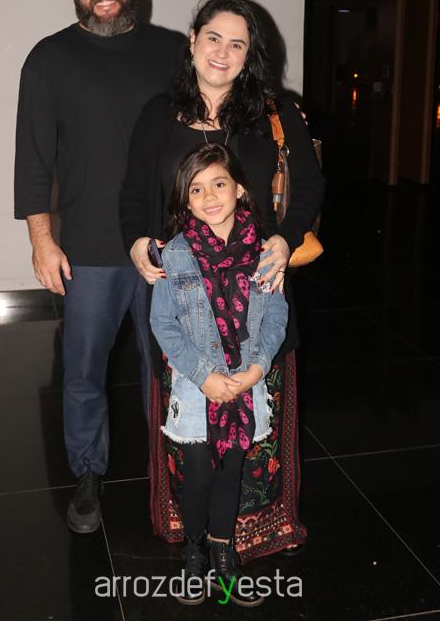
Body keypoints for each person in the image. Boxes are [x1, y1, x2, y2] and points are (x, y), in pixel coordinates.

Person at [120, 0, 324, 560]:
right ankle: (191, 534)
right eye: (213, 37)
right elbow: (134, 191)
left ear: (249, 54)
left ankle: (247, 535)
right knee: (191, 423)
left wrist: (284, 238)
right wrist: (136, 241)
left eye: (238, 44)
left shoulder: (274, 113)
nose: (223, 52)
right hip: (183, 296)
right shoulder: (158, 114)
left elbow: (309, 186)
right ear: (193, 41)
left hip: (258, 293)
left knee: (256, 424)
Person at [14, 0, 181, 534]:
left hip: (169, 245)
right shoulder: (49, 59)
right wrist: (41, 240)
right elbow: (33, 158)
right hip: (87, 246)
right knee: (83, 371)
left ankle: (172, 468)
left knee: (168, 367)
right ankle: (87, 471)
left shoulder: (174, 52)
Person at [150, 144, 288, 606]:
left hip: (246, 379)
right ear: (185, 200)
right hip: (197, 384)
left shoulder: (265, 253)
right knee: (199, 476)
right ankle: (193, 550)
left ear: (240, 189)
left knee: (231, 473)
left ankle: (222, 553)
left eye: (219, 184)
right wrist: (205, 376)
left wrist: (256, 369)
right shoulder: (175, 255)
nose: (209, 197)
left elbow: (276, 316)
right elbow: (163, 323)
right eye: (196, 189)